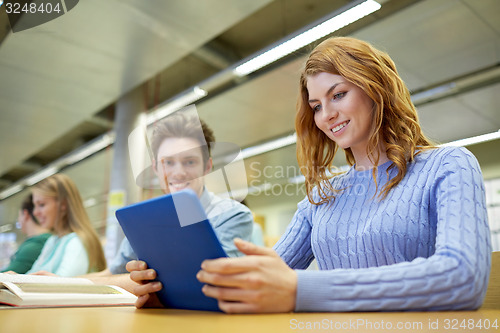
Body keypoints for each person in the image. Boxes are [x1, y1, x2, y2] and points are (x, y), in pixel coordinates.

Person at [128, 37, 492, 312]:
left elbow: (464, 278)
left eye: (339, 95)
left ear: (376, 90)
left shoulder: (448, 165)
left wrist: (301, 289)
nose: (326, 115)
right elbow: (267, 277)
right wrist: (168, 291)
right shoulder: (322, 197)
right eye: (317, 106)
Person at [82, 113, 254, 289]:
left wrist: (138, 283)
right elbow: (112, 274)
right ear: (156, 168)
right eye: (168, 162)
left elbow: (208, 284)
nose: (178, 172)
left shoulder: (232, 215)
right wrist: (61, 281)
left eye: (189, 162)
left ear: (207, 167)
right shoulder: (144, 220)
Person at [27, 174, 107, 276]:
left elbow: (64, 285)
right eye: (35, 206)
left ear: (63, 204)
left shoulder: (77, 241)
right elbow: (32, 274)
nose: (35, 212)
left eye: (41, 205)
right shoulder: (53, 240)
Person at [1, 194, 51, 273]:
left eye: (19, 215)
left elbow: (8, 275)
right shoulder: (47, 240)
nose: (18, 220)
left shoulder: (34, 245)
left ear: (25, 214)